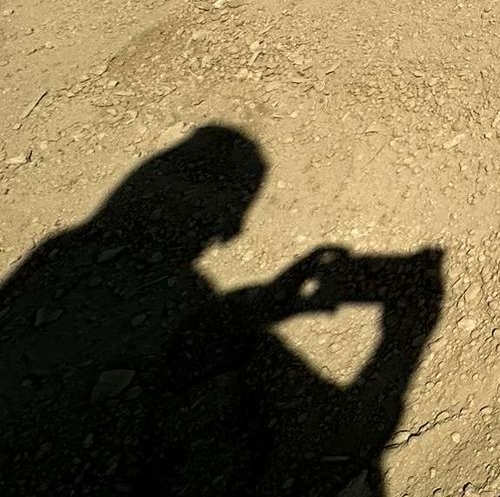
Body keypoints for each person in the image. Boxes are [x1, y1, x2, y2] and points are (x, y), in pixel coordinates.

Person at [0, 125, 442, 496]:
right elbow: (353, 433)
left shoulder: (61, 263)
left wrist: (264, 305)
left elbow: (169, 343)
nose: (233, 230)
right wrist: (406, 335)